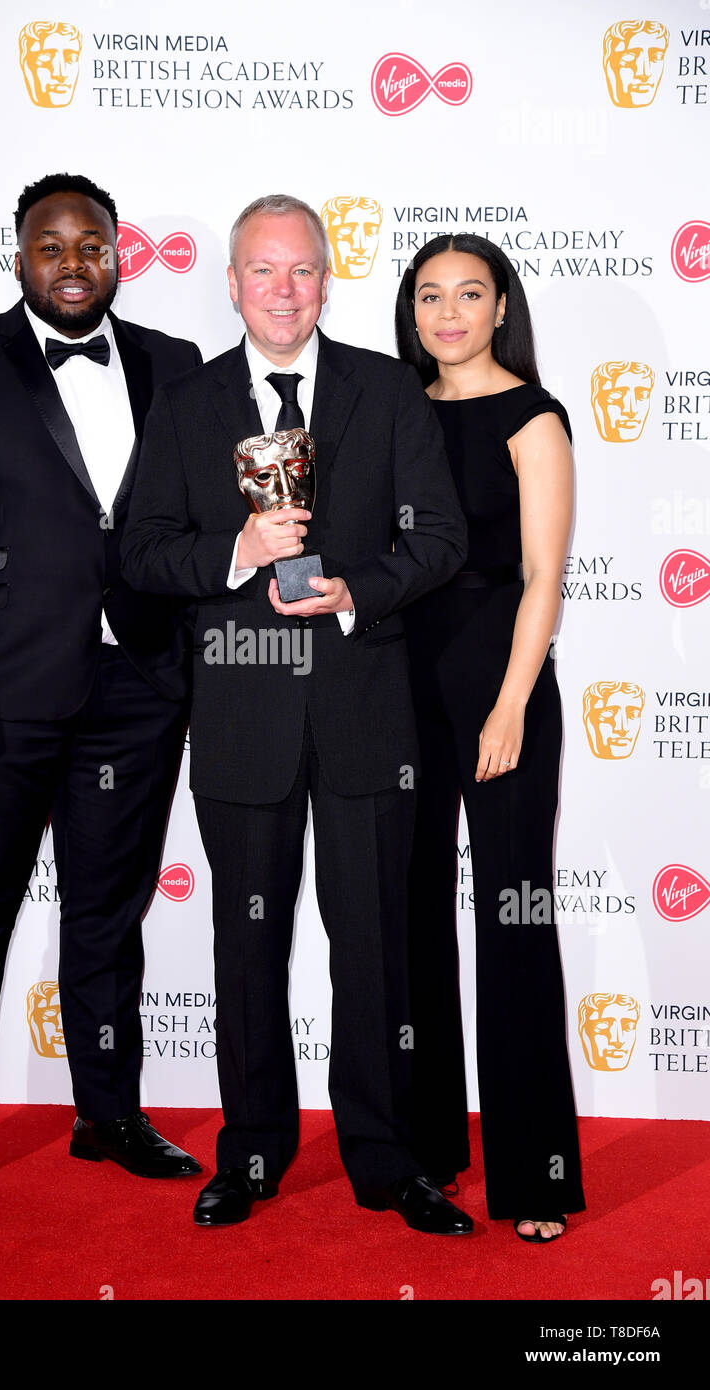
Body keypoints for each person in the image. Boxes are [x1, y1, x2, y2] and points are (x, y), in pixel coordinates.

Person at [122, 194, 472, 1235]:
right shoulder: (185, 405)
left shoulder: (385, 391)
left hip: (368, 713)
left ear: (328, 280)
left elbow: (441, 539)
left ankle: (383, 1155)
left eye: (302, 270)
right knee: (247, 946)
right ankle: (254, 1150)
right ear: (232, 284)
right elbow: (139, 555)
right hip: (241, 717)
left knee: (373, 947)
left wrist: (354, 588)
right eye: (262, 271)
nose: (284, 290)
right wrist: (240, 552)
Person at [0, 172, 202, 1214]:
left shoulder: (173, 363)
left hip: (137, 685)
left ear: (122, 252)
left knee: (107, 914)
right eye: (51, 244)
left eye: (92, 243)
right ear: (19, 256)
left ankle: (106, 1113)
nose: (74, 261)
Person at [395, 232, 585, 1242]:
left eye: (471, 293)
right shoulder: (390, 406)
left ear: (502, 306)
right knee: (414, 914)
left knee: (512, 919)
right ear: (412, 308)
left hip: (501, 690)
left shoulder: (532, 417)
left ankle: (535, 1171)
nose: (450, 312)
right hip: (398, 698)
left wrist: (509, 703)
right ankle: (429, 1148)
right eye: (431, 294)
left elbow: (542, 577)